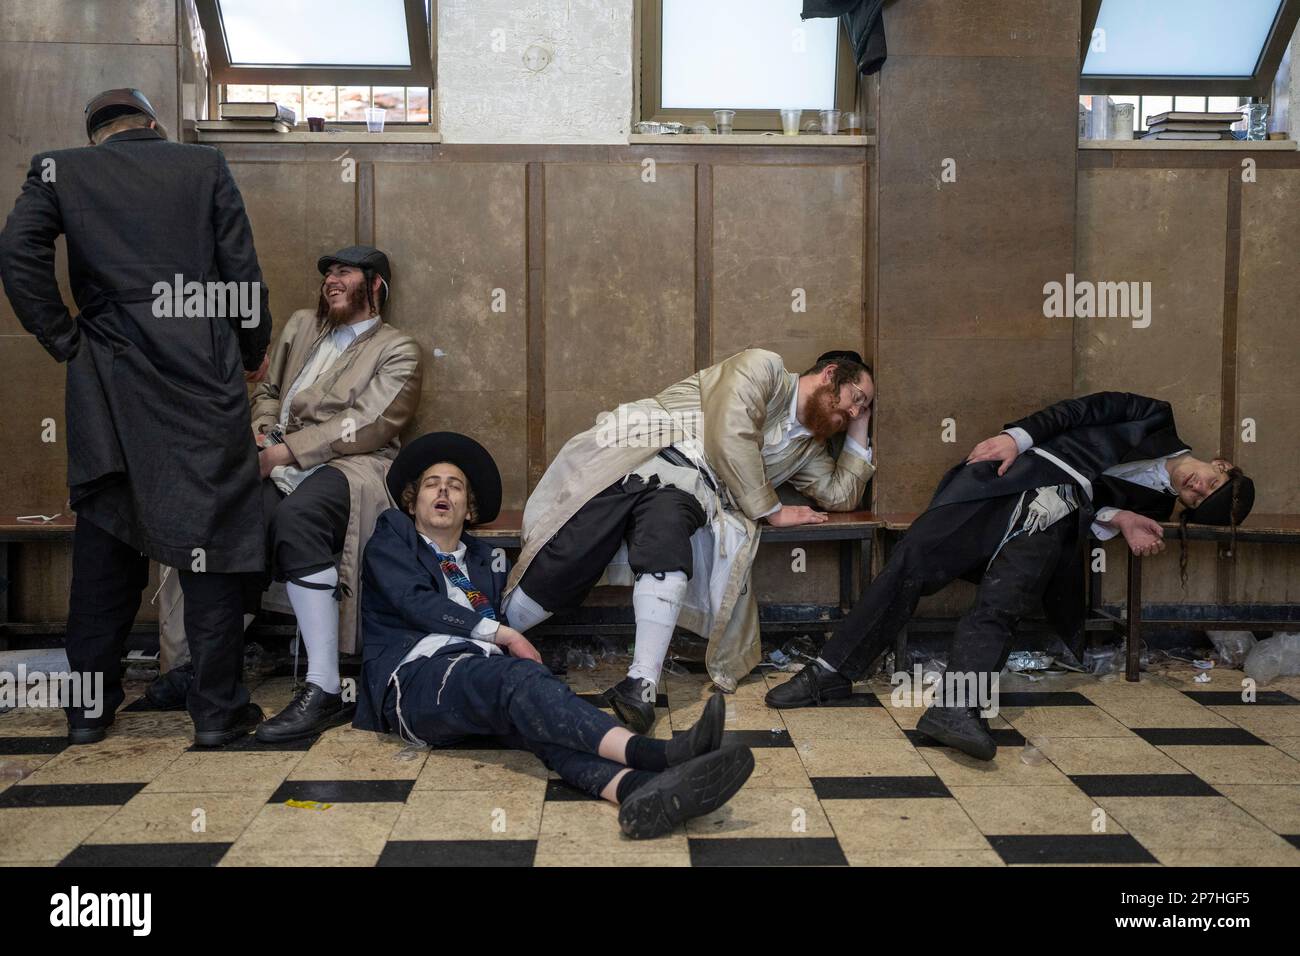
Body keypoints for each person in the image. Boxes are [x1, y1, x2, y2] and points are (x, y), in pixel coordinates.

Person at [766, 392, 1256, 760]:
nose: (1195, 488)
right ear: (1221, 464)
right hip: (1009, 477)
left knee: (1006, 600)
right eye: (1209, 483)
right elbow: (1075, 413)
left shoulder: (1154, 503)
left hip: (1053, 519)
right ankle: (827, 675)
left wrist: (1120, 518)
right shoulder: (1154, 416)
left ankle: (957, 706)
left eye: (1198, 500)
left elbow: (1094, 506)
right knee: (911, 559)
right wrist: (1014, 438)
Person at [0, 88, 271, 746]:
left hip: (107, 384)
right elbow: (241, 270)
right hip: (201, 377)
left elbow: (16, 255)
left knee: (105, 543)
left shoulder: (60, 167)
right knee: (212, 547)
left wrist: (67, 339)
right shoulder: (202, 165)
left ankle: (88, 712)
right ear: (155, 124)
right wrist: (249, 350)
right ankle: (217, 715)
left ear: (95, 134)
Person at [354, 432, 755, 839]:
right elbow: (414, 602)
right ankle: (661, 754)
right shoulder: (393, 536)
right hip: (417, 678)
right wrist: (505, 635)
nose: (443, 491)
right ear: (412, 501)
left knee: (542, 724)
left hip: (475, 678)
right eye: (431, 484)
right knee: (519, 680)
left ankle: (637, 793)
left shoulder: (483, 561)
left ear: (468, 508)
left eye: (455, 486)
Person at [504, 348, 877, 731]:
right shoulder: (764, 368)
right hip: (640, 453)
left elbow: (840, 494)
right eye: (856, 399)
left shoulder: (808, 448)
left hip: (687, 491)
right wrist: (772, 511)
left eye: (862, 408)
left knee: (666, 543)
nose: (853, 411)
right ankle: (491, 635)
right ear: (831, 374)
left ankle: (640, 685)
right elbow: (730, 432)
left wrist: (859, 428)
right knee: (574, 551)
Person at [147, 246, 423, 743]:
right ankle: (208, 673)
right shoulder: (300, 326)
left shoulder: (397, 348)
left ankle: (322, 687)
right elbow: (268, 391)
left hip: (354, 463)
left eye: (343, 272)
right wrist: (262, 431)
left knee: (298, 520)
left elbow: (371, 423)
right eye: (327, 275)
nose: (331, 281)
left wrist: (284, 452)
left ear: (376, 284)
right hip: (274, 455)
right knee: (226, 521)